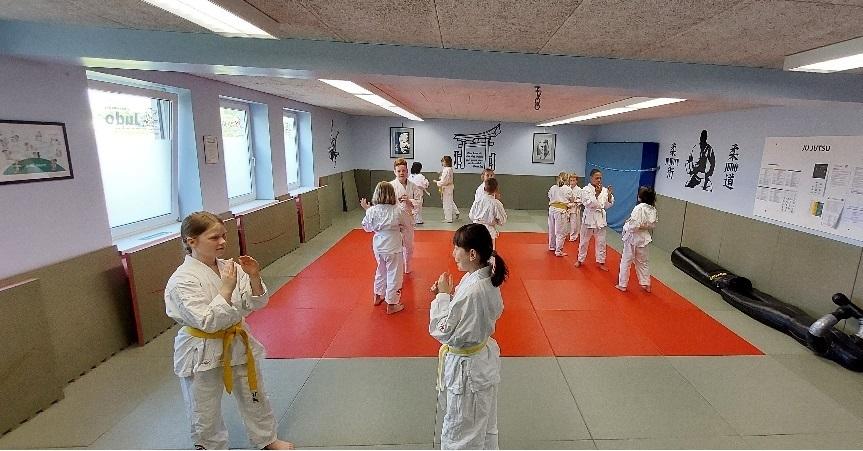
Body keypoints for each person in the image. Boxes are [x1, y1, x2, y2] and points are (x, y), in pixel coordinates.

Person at [164, 212, 294, 450]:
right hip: (201, 348)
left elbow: (255, 303)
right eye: (214, 237)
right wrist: (226, 288)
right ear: (192, 241)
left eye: (224, 235)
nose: (223, 242)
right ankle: (210, 446)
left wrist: (254, 277)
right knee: (204, 407)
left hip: (237, 340)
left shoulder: (230, 267)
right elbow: (206, 321)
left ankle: (266, 439)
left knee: (254, 393)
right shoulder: (181, 280)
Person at [429, 223, 508, 450]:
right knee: (483, 427)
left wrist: (442, 298)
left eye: (457, 248)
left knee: (461, 434)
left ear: (472, 254)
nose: (453, 253)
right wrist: (447, 295)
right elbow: (465, 314)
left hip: (468, 372)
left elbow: (444, 331)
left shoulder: (475, 289)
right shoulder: (482, 277)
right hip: (480, 364)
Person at [361, 181, 412, 314]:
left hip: (378, 245)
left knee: (381, 270)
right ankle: (392, 303)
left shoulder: (371, 210)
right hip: (393, 246)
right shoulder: (398, 210)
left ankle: (378, 295)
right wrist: (400, 228)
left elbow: (366, 228)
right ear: (392, 194)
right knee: (394, 274)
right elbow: (408, 224)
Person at [616, 186, 658, 292]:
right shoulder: (652, 209)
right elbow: (652, 225)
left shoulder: (639, 208)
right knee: (643, 262)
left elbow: (634, 226)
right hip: (643, 238)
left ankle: (622, 285)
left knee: (626, 261)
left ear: (640, 197)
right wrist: (638, 225)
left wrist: (627, 224)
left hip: (633, 237)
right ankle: (646, 284)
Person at [575, 169, 614, 271]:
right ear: (591, 178)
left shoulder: (604, 190)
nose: (599, 180)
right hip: (589, 217)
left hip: (600, 219)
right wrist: (596, 194)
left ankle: (601, 261)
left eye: (600, 178)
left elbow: (607, 205)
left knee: (601, 242)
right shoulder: (585, 190)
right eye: (597, 178)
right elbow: (587, 204)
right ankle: (580, 259)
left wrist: (609, 196)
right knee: (584, 241)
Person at [390, 158, 423, 274]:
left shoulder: (413, 186)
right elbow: (386, 203)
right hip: (394, 221)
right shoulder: (390, 186)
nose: (401, 173)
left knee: (409, 246)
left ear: (407, 171)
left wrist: (409, 201)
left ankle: (407, 266)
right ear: (395, 172)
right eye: (399, 171)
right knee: (395, 246)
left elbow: (419, 202)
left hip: (408, 219)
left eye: (403, 170)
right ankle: (396, 267)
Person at [469, 177, 507, 250]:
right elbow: (502, 221)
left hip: (475, 229)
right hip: (489, 231)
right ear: (496, 190)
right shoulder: (496, 203)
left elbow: (471, 215)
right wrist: (496, 221)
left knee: (476, 251)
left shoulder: (477, 201)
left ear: (484, 189)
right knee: (488, 253)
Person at [547, 172, 573, 257]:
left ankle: (552, 246)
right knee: (561, 232)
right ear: (567, 179)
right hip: (560, 211)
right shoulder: (568, 189)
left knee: (552, 229)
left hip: (552, 209)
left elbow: (549, 196)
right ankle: (558, 251)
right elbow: (572, 199)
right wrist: (569, 204)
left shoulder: (553, 187)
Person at [435, 155, 460, 223]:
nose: (442, 163)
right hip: (449, 187)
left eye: (443, 161)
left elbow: (444, 181)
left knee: (447, 203)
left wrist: (437, 182)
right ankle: (455, 212)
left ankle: (448, 218)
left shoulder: (446, 170)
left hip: (447, 188)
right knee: (450, 201)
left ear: (446, 162)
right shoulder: (449, 169)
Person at [567, 172, 582, 242]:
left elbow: (581, 200)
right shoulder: (567, 188)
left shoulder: (579, 190)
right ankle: (565, 234)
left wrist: (575, 201)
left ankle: (573, 236)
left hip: (575, 208)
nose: (572, 182)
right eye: (571, 180)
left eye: (573, 180)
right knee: (565, 222)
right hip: (567, 207)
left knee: (574, 223)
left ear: (576, 181)